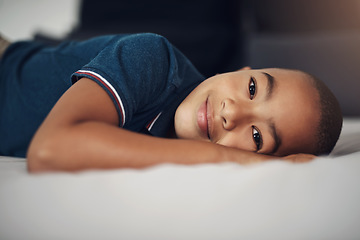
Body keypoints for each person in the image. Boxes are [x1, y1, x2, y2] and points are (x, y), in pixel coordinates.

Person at [0, 33, 342, 172]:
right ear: (242, 70)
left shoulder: (175, 155)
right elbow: (50, 150)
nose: (232, 112)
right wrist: (231, 157)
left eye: (257, 138)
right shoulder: (152, 58)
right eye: (252, 88)